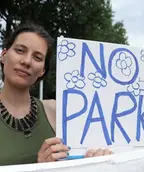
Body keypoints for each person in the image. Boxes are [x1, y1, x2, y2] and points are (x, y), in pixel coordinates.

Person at [0, 23, 112, 166]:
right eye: (20, 50)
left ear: (42, 70)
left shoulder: (56, 111)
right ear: (4, 55)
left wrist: (97, 160)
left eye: (37, 57)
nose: (27, 61)